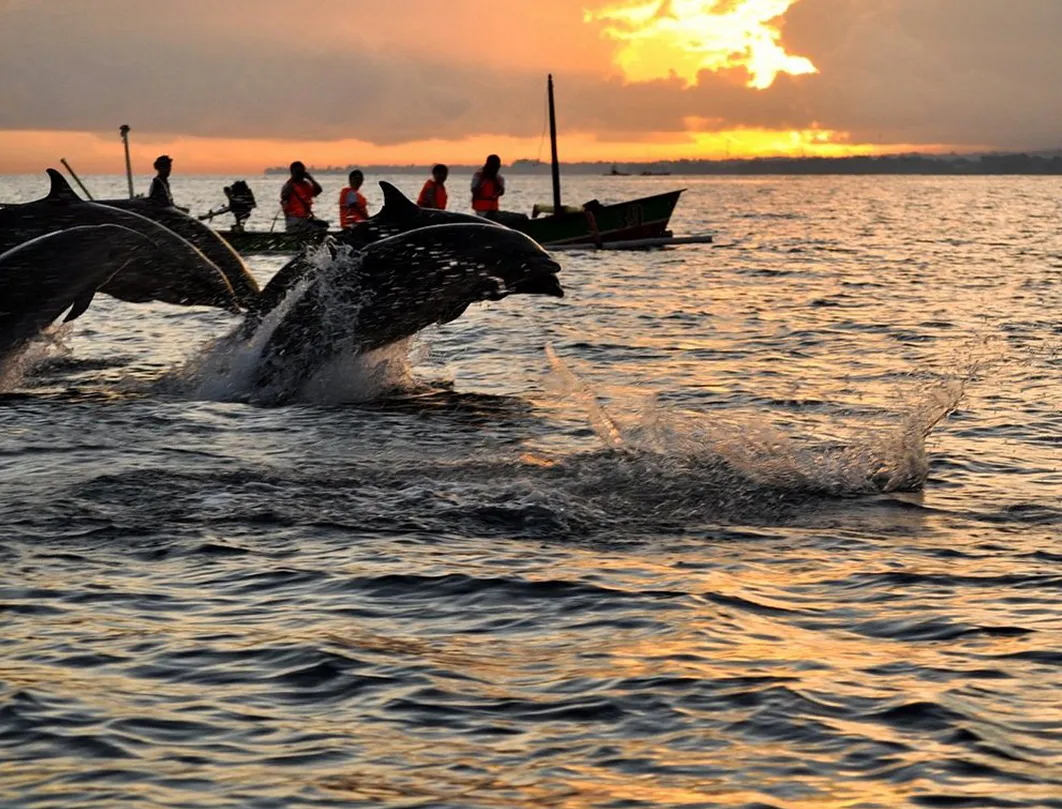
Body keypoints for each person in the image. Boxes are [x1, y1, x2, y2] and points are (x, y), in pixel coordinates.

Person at [280, 161, 324, 232]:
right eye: (298, 172)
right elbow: (284, 196)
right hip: (294, 221)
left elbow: (318, 191)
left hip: (305, 220)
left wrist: (310, 179)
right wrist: (293, 179)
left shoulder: (306, 185)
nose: (300, 174)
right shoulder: (288, 186)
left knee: (322, 228)